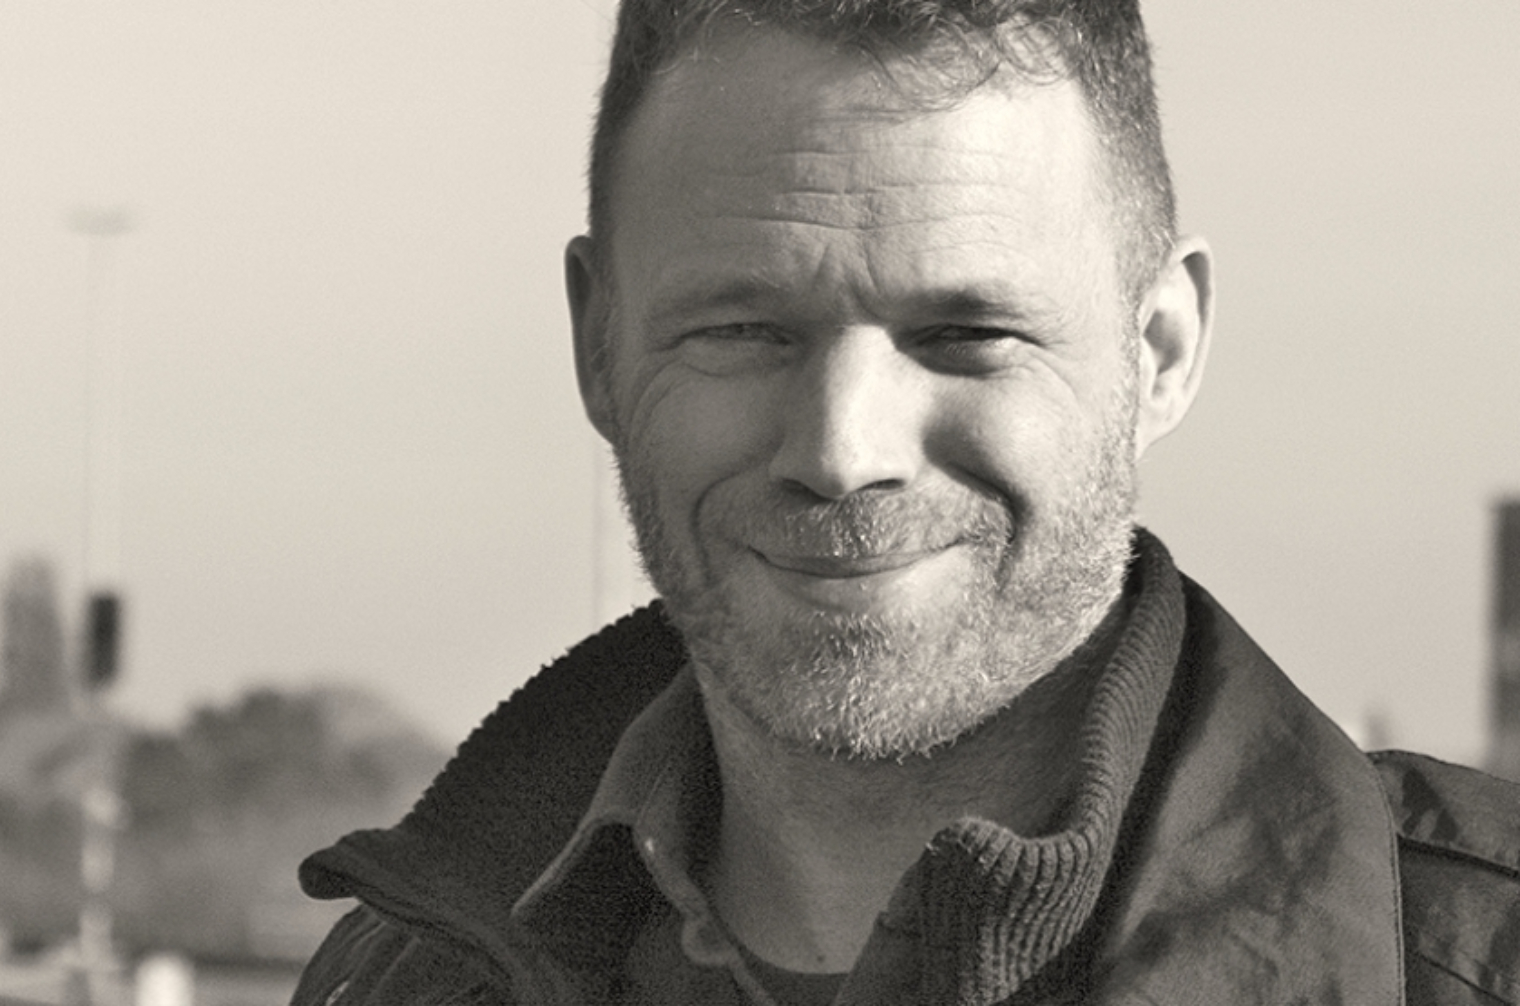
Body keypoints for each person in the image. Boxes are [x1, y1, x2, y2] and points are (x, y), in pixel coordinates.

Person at [291, 1, 1520, 1003]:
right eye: (741, 330)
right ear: (596, 345)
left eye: (964, 334)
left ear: (1159, 348)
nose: (841, 451)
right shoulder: (398, 979)